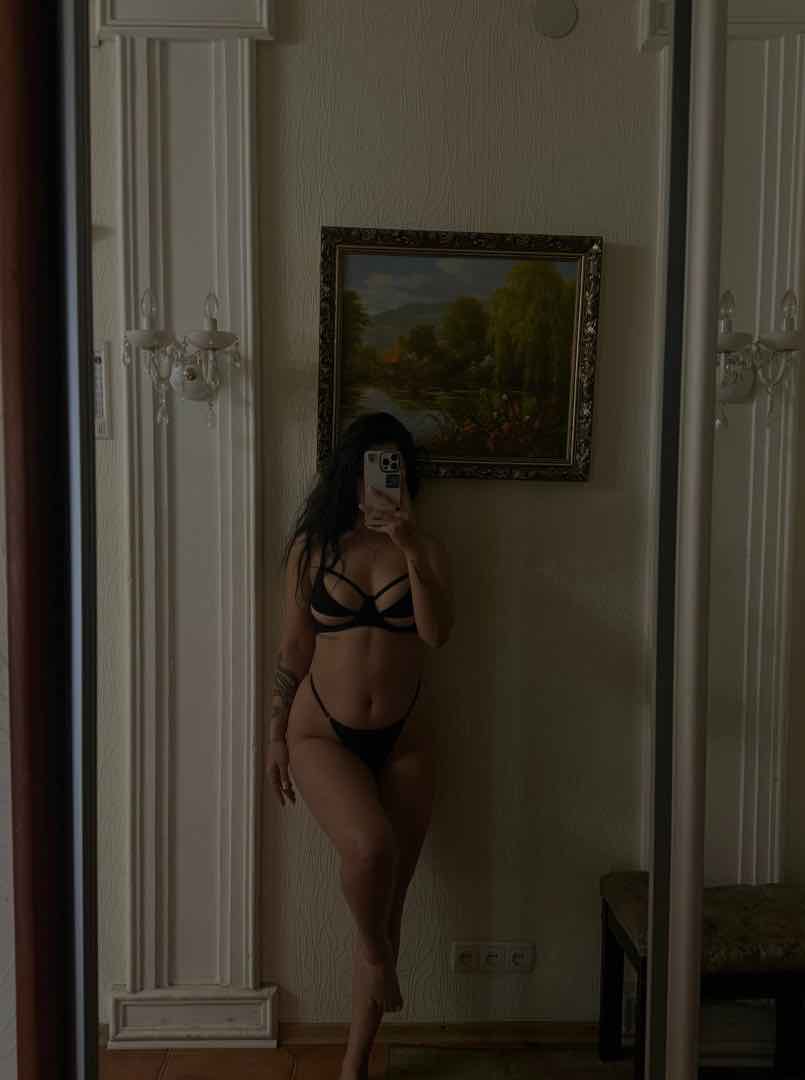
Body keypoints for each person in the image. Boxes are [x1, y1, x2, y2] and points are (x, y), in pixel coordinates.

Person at [265, 411, 453, 1080]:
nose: (383, 477)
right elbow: (294, 645)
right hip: (321, 731)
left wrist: (409, 548)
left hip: (406, 739)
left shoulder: (426, 549)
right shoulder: (313, 549)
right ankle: (376, 956)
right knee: (370, 849)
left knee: (388, 895)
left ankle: (354, 1064)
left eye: (394, 465)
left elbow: (435, 634)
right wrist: (275, 732)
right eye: (374, 464)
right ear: (351, 473)